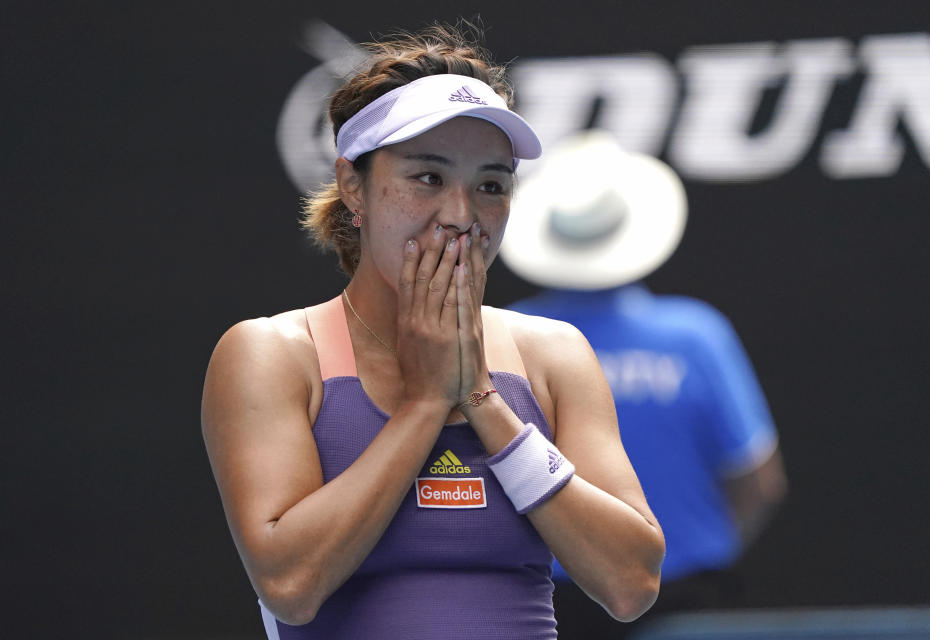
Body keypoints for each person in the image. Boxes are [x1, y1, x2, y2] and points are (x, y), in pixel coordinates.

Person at [200, 26, 665, 639]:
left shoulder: (554, 354)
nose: (461, 215)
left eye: (491, 186)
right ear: (351, 185)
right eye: (428, 177)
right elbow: (292, 586)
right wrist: (424, 405)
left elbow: (632, 584)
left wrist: (482, 402)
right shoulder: (273, 354)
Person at [502, 131, 787, 639]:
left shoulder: (505, 337)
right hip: (688, 600)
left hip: (549, 603)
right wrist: (698, 556)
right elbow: (760, 483)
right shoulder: (696, 336)